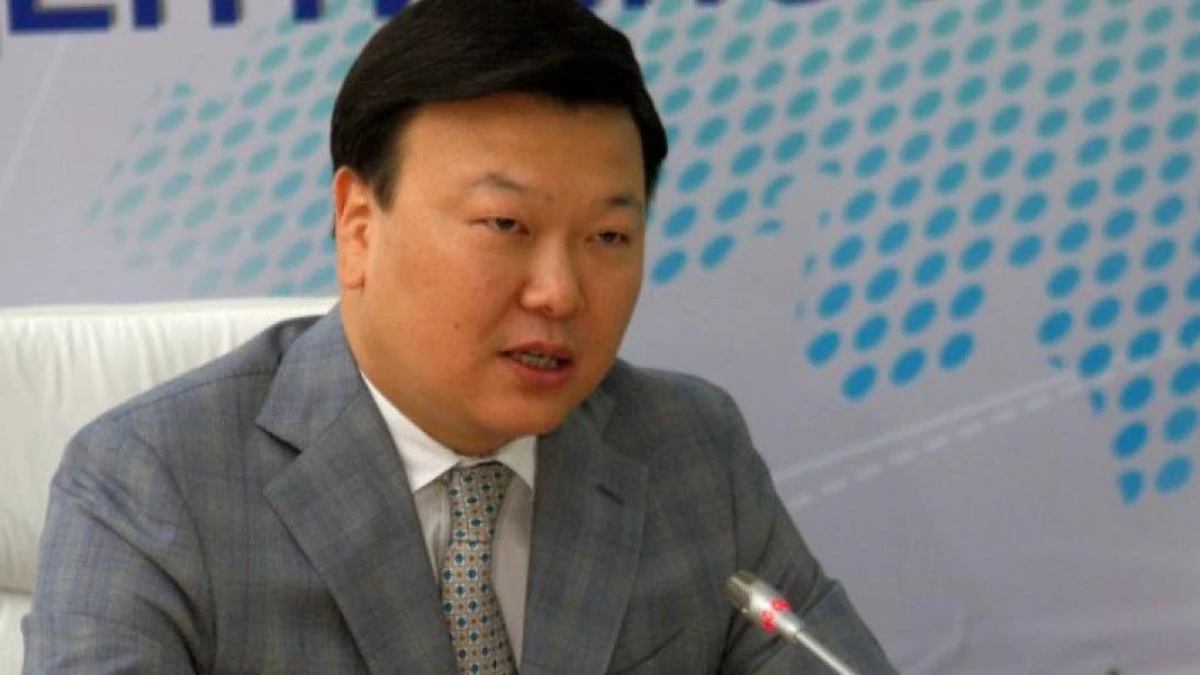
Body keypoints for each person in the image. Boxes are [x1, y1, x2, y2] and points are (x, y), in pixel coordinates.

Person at [23, 0, 897, 672]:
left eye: (608, 236)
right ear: (358, 225)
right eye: (505, 225)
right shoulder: (152, 483)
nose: (560, 292)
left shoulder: (689, 449)